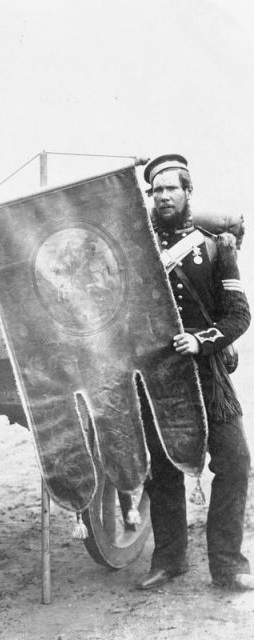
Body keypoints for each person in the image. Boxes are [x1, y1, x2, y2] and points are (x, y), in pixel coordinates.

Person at [136, 154, 253, 591]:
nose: (164, 196)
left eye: (172, 188)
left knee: (236, 463)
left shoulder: (214, 245)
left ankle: (228, 564)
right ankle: (169, 560)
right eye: (157, 190)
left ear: (188, 192)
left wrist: (202, 340)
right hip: (158, 379)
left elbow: (239, 316)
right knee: (163, 470)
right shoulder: (139, 249)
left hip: (207, 374)